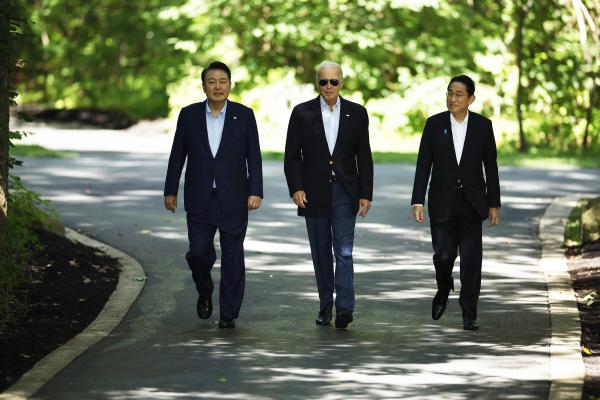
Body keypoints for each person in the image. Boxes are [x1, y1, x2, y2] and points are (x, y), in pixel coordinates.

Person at [164, 61, 263, 329]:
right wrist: (170, 190)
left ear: (230, 85)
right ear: (204, 85)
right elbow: (177, 155)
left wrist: (255, 190)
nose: (217, 86)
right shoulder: (189, 115)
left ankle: (228, 314)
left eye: (222, 81)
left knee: (233, 256)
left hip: (234, 198)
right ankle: (204, 290)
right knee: (198, 254)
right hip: (200, 198)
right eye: (212, 81)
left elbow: (253, 156)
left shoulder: (244, 115)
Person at [284, 61, 373, 329]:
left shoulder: (357, 113)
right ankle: (325, 305)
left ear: (341, 82)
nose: (329, 87)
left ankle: (345, 308)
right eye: (324, 82)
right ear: (317, 83)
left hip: (346, 192)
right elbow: (291, 157)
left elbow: (364, 157)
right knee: (321, 252)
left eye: (334, 81)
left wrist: (366, 193)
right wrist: (296, 187)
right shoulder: (302, 113)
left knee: (344, 252)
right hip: (313, 193)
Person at [411, 74, 500, 331]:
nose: (452, 98)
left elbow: (490, 167)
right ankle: (443, 288)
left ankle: (468, 311)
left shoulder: (483, 126)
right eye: (450, 93)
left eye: (459, 94)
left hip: (472, 203)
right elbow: (423, 164)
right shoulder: (434, 124)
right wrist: (418, 200)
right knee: (443, 255)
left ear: (471, 99)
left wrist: (494, 203)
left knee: (472, 260)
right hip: (442, 201)